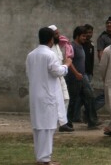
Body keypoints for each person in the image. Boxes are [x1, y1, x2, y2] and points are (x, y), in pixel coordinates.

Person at [27, 26, 72, 165]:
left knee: (39, 128)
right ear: (51, 39)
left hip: (36, 95)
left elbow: (29, 73)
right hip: (47, 95)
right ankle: (45, 159)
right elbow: (57, 71)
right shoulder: (49, 54)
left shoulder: (31, 55)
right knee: (47, 127)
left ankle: (41, 157)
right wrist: (66, 65)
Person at [64, 26, 99, 130]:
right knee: (72, 101)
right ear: (77, 36)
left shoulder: (81, 46)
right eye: (83, 36)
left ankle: (92, 122)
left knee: (90, 97)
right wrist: (76, 73)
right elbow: (68, 61)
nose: (85, 37)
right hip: (74, 78)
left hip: (82, 77)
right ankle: (67, 123)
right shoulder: (72, 46)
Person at [48, 24, 72, 130]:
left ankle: (63, 122)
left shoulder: (57, 45)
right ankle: (59, 123)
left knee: (66, 98)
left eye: (58, 33)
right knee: (56, 101)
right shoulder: (49, 49)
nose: (59, 35)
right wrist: (66, 65)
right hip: (54, 77)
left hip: (61, 76)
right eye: (56, 34)